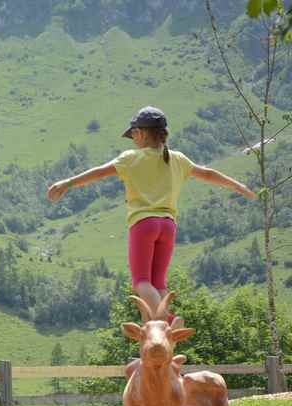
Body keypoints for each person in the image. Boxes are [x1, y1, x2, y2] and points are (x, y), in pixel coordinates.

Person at [47, 106, 255, 320]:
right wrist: (238, 186)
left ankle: (169, 320)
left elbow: (99, 172)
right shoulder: (178, 158)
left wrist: (68, 183)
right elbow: (208, 173)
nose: (133, 140)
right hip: (168, 226)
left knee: (141, 282)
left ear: (142, 133)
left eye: (133, 134)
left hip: (143, 224)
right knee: (158, 285)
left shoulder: (130, 158)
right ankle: (163, 330)